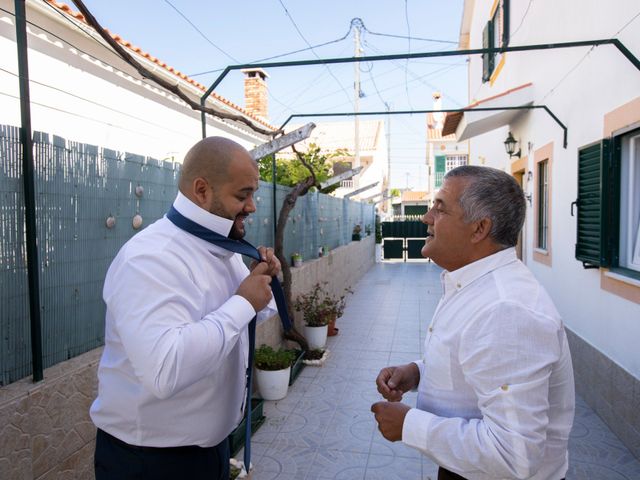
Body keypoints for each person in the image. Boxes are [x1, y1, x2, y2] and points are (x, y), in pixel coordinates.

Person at [90, 136, 280, 480]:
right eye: (242, 195)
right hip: (152, 464)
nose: (252, 206)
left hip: (210, 454)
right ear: (202, 191)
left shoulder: (220, 249)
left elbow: (243, 318)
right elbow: (165, 370)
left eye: (253, 194)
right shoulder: (150, 259)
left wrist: (258, 285)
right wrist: (242, 302)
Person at [371, 165, 575, 480]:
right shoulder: (473, 284)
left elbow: (514, 457)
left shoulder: (506, 310)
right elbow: (478, 368)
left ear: (479, 229)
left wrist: (409, 425)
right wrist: (418, 372)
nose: (426, 218)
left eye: (440, 209)